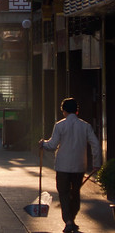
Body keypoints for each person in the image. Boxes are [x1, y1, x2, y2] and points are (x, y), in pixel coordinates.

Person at [39, 97, 102, 233]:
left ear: (64, 111)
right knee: (75, 192)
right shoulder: (85, 126)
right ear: (77, 111)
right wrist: (96, 163)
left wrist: (43, 143)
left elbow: (52, 145)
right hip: (79, 165)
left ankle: (68, 220)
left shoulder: (60, 125)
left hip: (63, 166)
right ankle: (71, 219)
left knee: (64, 193)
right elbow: (95, 144)